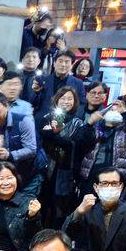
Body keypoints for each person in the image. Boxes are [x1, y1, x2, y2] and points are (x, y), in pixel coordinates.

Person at [0, 91, 47, 196]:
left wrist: (9, 155)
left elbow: (31, 149)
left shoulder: (23, 121)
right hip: (8, 175)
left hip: (30, 172)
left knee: (26, 206)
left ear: (6, 106)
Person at [38, 86, 87, 226]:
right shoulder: (46, 118)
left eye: (69, 98)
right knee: (41, 204)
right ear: (56, 100)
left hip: (65, 171)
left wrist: (53, 134)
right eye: (63, 98)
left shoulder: (78, 123)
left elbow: (74, 146)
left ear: (75, 101)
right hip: (46, 168)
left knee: (59, 209)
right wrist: (53, 134)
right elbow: (42, 135)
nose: (66, 101)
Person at [27, 50, 86, 123]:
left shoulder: (78, 83)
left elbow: (82, 105)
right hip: (43, 121)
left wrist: (71, 120)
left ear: (71, 65)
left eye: (67, 62)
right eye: (60, 61)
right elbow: (33, 103)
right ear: (54, 63)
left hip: (66, 123)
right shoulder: (44, 80)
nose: (63, 64)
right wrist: (36, 92)